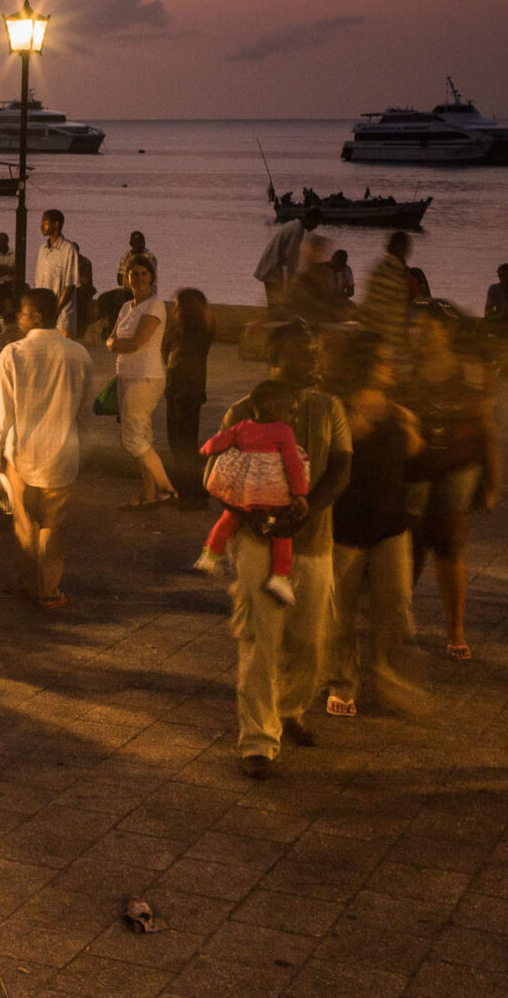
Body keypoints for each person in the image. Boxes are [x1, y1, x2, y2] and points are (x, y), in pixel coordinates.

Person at [220, 322, 352, 779]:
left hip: (314, 542)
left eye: (316, 352)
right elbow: (220, 478)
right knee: (260, 642)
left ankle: (291, 707)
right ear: (275, 358)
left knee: (311, 641)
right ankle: (258, 739)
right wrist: (250, 515)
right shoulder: (240, 411)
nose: (315, 360)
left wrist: (311, 508)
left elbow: (341, 467)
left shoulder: (327, 408)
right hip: (258, 543)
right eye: (304, 353)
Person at [322, 335, 430, 719]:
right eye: (383, 360)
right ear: (364, 365)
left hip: (391, 526)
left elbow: (415, 461)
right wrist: (355, 427)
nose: (390, 366)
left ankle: (386, 674)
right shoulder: (337, 408)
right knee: (339, 613)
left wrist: (411, 431)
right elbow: (325, 460)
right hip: (344, 528)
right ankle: (341, 682)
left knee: (396, 606)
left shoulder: (398, 411)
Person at [399, 302, 501, 660]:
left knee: (450, 547)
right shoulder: (404, 369)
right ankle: (399, 621)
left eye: (429, 328)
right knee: (408, 547)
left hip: (459, 466)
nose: (421, 334)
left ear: (448, 332)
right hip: (412, 467)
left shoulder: (471, 372)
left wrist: (492, 482)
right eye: (416, 327)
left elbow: (487, 427)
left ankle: (455, 629)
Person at [0, 288, 95, 610]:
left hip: (21, 454)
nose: (18, 318)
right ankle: (49, 591)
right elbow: (86, 410)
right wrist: (87, 448)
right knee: (53, 525)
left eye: (22, 312)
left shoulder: (13, 353)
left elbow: (0, 411)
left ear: (35, 315)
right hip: (62, 454)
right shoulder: (78, 354)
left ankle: (26, 581)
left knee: (24, 523)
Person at [196, 380, 310, 605]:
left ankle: (209, 554)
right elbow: (292, 464)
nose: (292, 417)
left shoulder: (243, 427)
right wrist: (299, 494)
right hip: (271, 492)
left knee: (229, 519)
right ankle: (279, 577)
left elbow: (215, 444)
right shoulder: (283, 431)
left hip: (245, 491)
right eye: (289, 411)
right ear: (272, 407)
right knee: (282, 535)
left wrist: (204, 450)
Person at [108, 257, 178, 508]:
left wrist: (117, 344)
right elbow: (111, 339)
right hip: (126, 374)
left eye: (142, 274)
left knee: (132, 438)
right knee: (143, 437)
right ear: (126, 278)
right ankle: (149, 494)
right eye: (133, 274)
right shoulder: (127, 307)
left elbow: (136, 343)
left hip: (146, 377)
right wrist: (117, 344)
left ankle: (166, 488)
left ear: (151, 277)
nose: (137, 279)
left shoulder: (155, 306)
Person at [165, 288, 215, 511]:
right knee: (178, 443)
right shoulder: (181, 331)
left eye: (178, 306)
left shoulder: (198, 333)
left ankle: (193, 493)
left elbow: (171, 356)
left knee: (184, 444)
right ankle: (186, 489)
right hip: (176, 390)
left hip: (187, 393)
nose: (174, 310)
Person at [32, 210, 85, 337]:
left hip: (61, 315)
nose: (41, 226)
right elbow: (38, 281)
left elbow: (70, 284)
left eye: (45, 223)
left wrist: (55, 310)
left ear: (55, 224)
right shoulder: (42, 249)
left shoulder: (68, 249)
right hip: (43, 313)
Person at [254, 208, 321, 308]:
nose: (316, 227)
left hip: (271, 265)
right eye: (316, 223)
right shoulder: (297, 230)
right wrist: (291, 282)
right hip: (273, 267)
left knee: (274, 302)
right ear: (309, 220)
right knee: (277, 303)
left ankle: (272, 318)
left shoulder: (292, 224)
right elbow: (290, 257)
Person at [361, 231, 412, 346]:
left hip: (372, 324)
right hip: (387, 334)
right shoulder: (395, 271)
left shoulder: (379, 267)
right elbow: (394, 311)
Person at [95, 230, 152, 333]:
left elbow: (147, 281)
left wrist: (130, 277)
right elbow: (119, 280)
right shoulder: (126, 256)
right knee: (103, 298)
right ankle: (106, 329)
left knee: (124, 298)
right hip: (127, 289)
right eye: (136, 243)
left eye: (141, 243)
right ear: (130, 244)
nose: (139, 245)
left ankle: (120, 329)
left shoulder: (149, 257)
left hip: (143, 291)